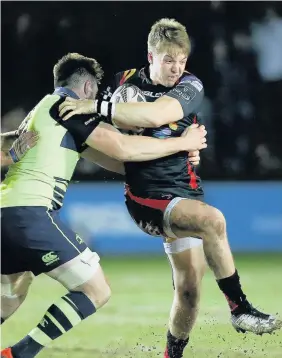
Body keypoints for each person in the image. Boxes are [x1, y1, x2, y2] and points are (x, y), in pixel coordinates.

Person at [59, 18, 282, 358]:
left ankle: (170, 355)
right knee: (214, 221)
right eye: (168, 60)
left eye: (181, 61)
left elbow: (156, 115)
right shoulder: (122, 84)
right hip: (147, 197)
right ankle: (240, 309)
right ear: (151, 56)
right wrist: (129, 153)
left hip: (186, 191)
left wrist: (184, 147)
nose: (177, 68)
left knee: (190, 291)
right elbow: (99, 136)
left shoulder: (190, 85)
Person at [0, 52, 207, 358]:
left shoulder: (45, 109)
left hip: (8, 212)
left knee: (10, 296)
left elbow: (121, 161)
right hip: (30, 214)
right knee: (96, 290)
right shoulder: (69, 108)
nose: (97, 100)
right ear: (86, 88)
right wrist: (181, 143)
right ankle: (19, 354)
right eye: (95, 92)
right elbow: (123, 147)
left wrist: (177, 159)